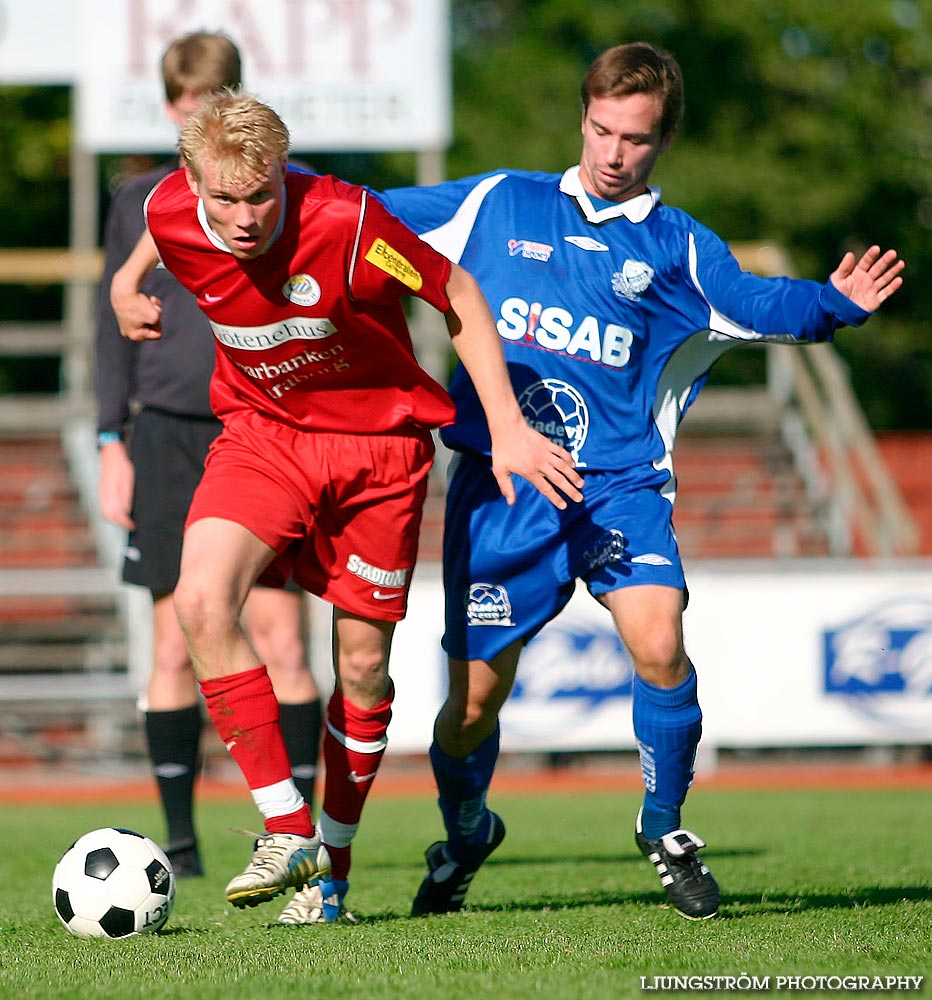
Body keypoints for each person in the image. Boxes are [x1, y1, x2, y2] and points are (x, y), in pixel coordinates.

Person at [377, 40, 905, 920]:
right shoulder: (496, 202)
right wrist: (272, 179)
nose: (614, 152)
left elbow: (761, 303)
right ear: (582, 117)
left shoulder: (677, 248)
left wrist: (834, 303)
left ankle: (664, 827)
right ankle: (466, 832)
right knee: (469, 706)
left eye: (636, 138)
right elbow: (356, 219)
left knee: (659, 638)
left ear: (664, 142)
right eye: (602, 129)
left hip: (620, 487)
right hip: (506, 489)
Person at [108, 89, 583, 923]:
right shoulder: (171, 203)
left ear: (284, 177)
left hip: (377, 452)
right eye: (224, 198)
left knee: (360, 668)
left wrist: (506, 428)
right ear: (193, 184)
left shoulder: (348, 220)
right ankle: (287, 830)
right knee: (199, 601)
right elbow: (158, 222)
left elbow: (460, 295)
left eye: (262, 194)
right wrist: (124, 281)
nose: (246, 216)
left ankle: (331, 874)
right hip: (264, 433)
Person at [95, 32, 323, 881]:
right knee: (169, 642)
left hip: (260, 430)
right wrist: (110, 437)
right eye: (188, 105)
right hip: (163, 433)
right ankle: (180, 848)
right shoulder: (140, 201)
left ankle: (301, 836)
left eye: (215, 100)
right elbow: (107, 321)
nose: (201, 117)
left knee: (280, 635)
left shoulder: (271, 197)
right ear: (170, 111)